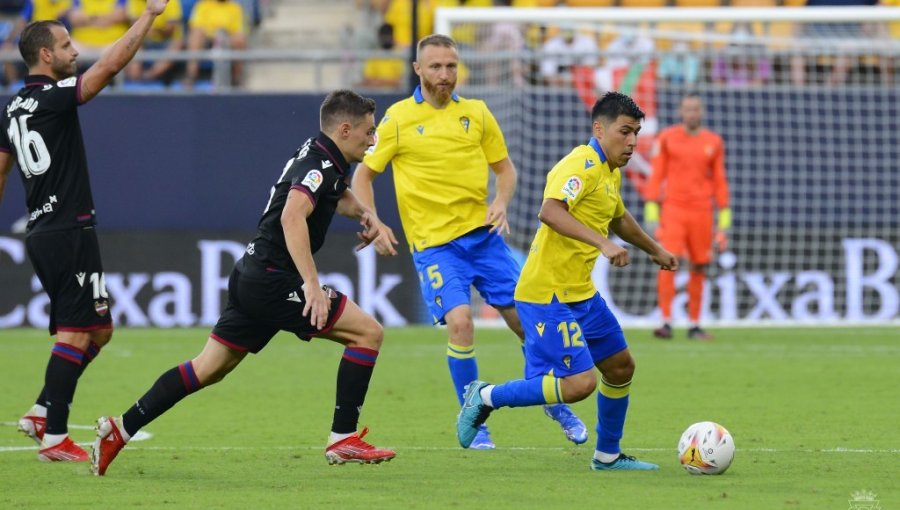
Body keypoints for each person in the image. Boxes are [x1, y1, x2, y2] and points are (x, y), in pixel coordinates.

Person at [91, 90, 397, 476]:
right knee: (368, 334)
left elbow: (335, 195)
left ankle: (119, 429)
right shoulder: (319, 164)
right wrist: (311, 286)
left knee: (208, 369)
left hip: (253, 275)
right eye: (369, 132)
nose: (373, 140)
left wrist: (366, 215)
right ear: (346, 128)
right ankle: (343, 437)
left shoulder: (323, 156)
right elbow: (292, 217)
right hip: (273, 280)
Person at [352, 33, 587, 450]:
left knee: (527, 322)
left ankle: (550, 396)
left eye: (451, 66)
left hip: (484, 239)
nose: (445, 75)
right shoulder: (398, 119)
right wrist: (373, 220)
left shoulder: (476, 113)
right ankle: (475, 418)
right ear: (418, 70)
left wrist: (500, 201)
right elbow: (363, 175)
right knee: (461, 322)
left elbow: (506, 170)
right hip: (437, 248)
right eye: (436, 67)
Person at [455, 92, 678, 471]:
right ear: (599, 129)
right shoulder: (581, 165)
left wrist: (653, 248)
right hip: (547, 294)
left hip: (580, 293)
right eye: (625, 132)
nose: (632, 142)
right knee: (579, 385)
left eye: (636, 133)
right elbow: (550, 211)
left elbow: (618, 217)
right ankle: (486, 395)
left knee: (621, 367)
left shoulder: (610, 171)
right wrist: (604, 244)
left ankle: (607, 456)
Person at [0, 0, 170, 462]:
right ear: (46, 56)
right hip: (66, 230)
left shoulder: (12, 107)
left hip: (42, 231)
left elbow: (0, 171)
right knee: (76, 333)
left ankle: (41, 412)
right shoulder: (55, 97)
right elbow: (112, 64)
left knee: (99, 329)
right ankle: (55, 437)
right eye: (67, 44)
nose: (76, 51)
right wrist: (150, 16)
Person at [644, 93, 730, 340]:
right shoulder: (668, 138)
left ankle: (694, 324)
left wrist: (724, 220)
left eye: (695, 109)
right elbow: (657, 174)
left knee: (700, 265)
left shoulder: (713, 141)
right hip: (674, 209)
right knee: (667, 262)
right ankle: (666, 321)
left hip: (703, 212)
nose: (691, 113)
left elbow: (720, 181)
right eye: (687, 109)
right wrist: (652, 211)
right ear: (681, 112)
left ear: (701, 112)